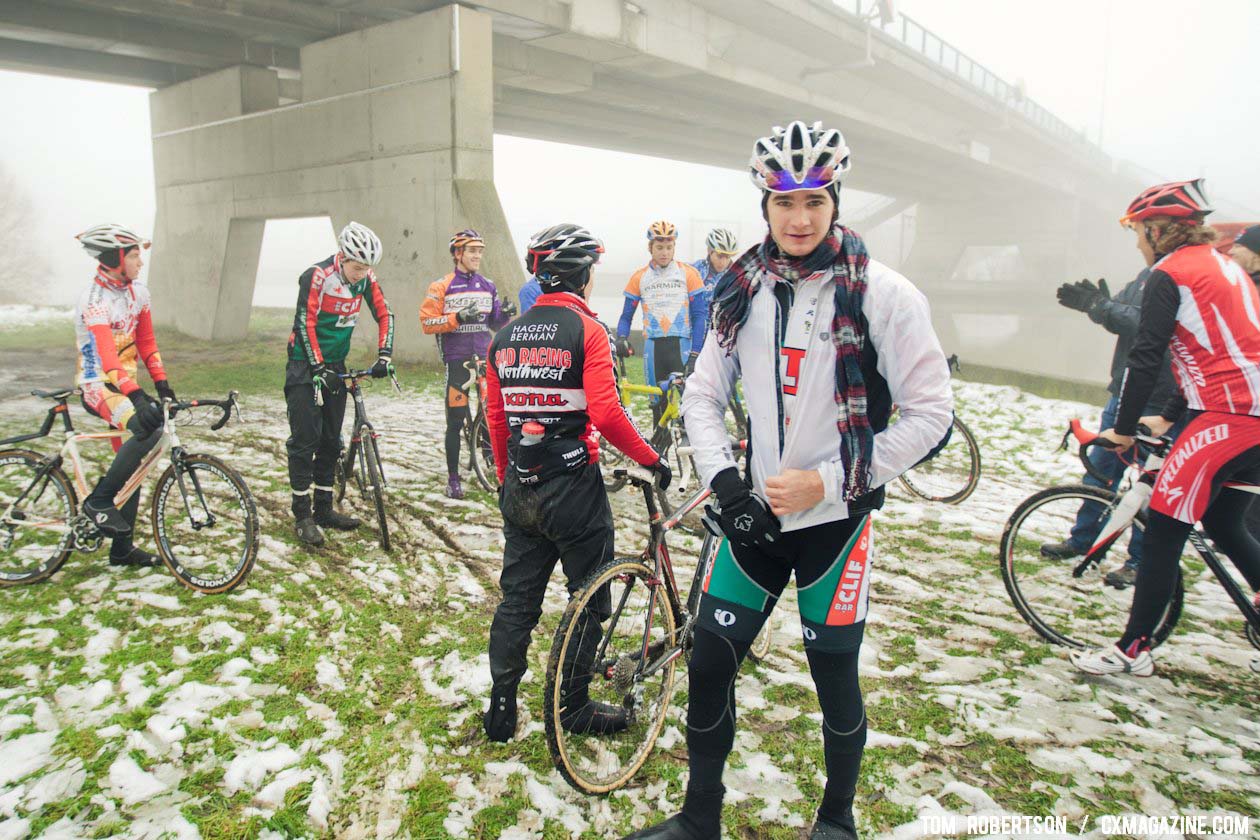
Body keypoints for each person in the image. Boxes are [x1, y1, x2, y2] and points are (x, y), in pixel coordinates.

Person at [626, 121, 953, 840]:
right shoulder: (741, 290)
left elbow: (933, 415)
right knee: (710, 665)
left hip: (835, 525)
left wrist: (830, 484)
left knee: (833, 676)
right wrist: (727, 485)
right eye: (783, 202)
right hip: (757, 523)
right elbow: (705, 396)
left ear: (834, 198)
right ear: (764, 205)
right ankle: (699, 818)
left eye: (813, 200)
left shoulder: (885, 296)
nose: (799, 218)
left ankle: (837, 821)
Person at [482, 223, 671, 742]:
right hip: (573, 487)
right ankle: (573, 705)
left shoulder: (504, 336)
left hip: (520, 483)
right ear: (584, 276)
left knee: (518, 599)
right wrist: (652, 458)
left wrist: (505, 478)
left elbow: (497, 421)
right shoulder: (588, 331)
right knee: (590, 594)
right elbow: (608, 415)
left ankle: (501, 705)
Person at [1070, 179, 1260, 678]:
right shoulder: (1224, 266)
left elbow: (1148, 355)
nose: (1136, 241)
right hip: (1244, 413)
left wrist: (1126, 428)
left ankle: (1133, 650)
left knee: (1161, 529)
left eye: (1138, 230)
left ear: (1159, 230)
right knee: (1223, 522)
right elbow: (1206, 350)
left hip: (1228, 415)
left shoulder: (1169, 272)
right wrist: (1172, 414)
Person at [1042, 269, 1183, 588]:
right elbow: (1121, 314)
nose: (1135, 238)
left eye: (1138, 229)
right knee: (1101, 470)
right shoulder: (1148, 274)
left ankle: (1138, 560)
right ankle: (1084, 541)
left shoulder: (1176, 275)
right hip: (1125, 386)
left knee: (1151, 483)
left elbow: (1146, 322)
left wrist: (1101, 305)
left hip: (1159, 396)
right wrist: (1100, 306)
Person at [285, 222, 395, 546]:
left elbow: (385, 313)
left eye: (367, 268)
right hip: (304, 365)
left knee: (331, 440)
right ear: (343, 257)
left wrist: (385, 355)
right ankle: (302, 515)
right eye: (357, 267)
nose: (362, 274)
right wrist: (317, 366)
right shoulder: (317, 276)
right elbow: (304, 323)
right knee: (306, 440)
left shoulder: (366, 279)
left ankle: (323, 509)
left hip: (334, 365)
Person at [73, 224, 173, 568]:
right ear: (116, 258)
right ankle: (100, 501)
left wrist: (160, 382)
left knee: (136, 467)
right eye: (133, 255)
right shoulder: (94, 301)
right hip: (98, 384)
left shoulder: (138, 293)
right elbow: (106, 356)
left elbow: (146, 342)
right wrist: (136, 395)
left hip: (126, 386)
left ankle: (121, 550)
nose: (140, 262)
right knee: (148, 430)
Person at [420, 229, 517, 499]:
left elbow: (495, 324)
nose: (477, 256)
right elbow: (427, 323)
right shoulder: (441, 286)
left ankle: (489, 461)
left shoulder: (488, 285)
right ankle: (453, 478)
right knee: (456, 419)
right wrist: (457, 318)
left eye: (480, 251)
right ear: (458, 253)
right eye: (472, 251)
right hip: (457, 362)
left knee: (490, 411)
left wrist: (505, 315)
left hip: (485, 359)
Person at [617, 221, 707, 387]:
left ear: (674, 248)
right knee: (656, 407)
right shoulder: (639, 277)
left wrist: (695, 353)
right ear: (650, 248)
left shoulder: (689, 273)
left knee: (686, 406)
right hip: (653, 348)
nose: (664, 253)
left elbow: (699, 316)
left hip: (682, 346)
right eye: (659, 247)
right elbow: (626, 317)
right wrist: (622, 337)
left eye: (669, 247)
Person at [690, 228, 740, 354]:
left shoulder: (736, 276)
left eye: (727, 257)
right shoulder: (695, 270)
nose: (723, 262)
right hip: (694, 333)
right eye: (719, 256)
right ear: (709, 251)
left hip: (721, 336)